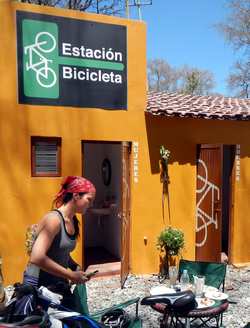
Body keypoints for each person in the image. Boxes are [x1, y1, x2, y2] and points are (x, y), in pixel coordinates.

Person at [23, 175, 96, 310]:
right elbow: (37, 257)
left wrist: (75, 267)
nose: (91, 205)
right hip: (41, 288)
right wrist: (71, 275)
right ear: (76, 196)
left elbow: (60, 251)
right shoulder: (53, 220)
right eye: (89, 200)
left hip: (59, 285)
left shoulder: (73, 221)